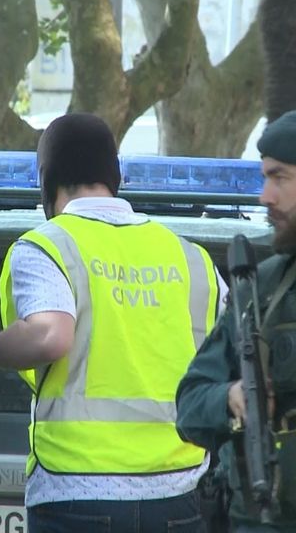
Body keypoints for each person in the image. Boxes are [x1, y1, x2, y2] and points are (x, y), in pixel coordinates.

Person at [0, 113, 225, 532]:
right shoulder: (191, 258)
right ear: (114, 179)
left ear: (48, 182)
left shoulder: (48, 245)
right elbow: (229, 356)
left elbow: (49, 336)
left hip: (76, 490)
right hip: (178, 494)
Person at [177, 110, 296, 532]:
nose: (265, 196)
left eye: (279, 178)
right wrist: (231, 396)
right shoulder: (262, 289)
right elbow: (189, 404)